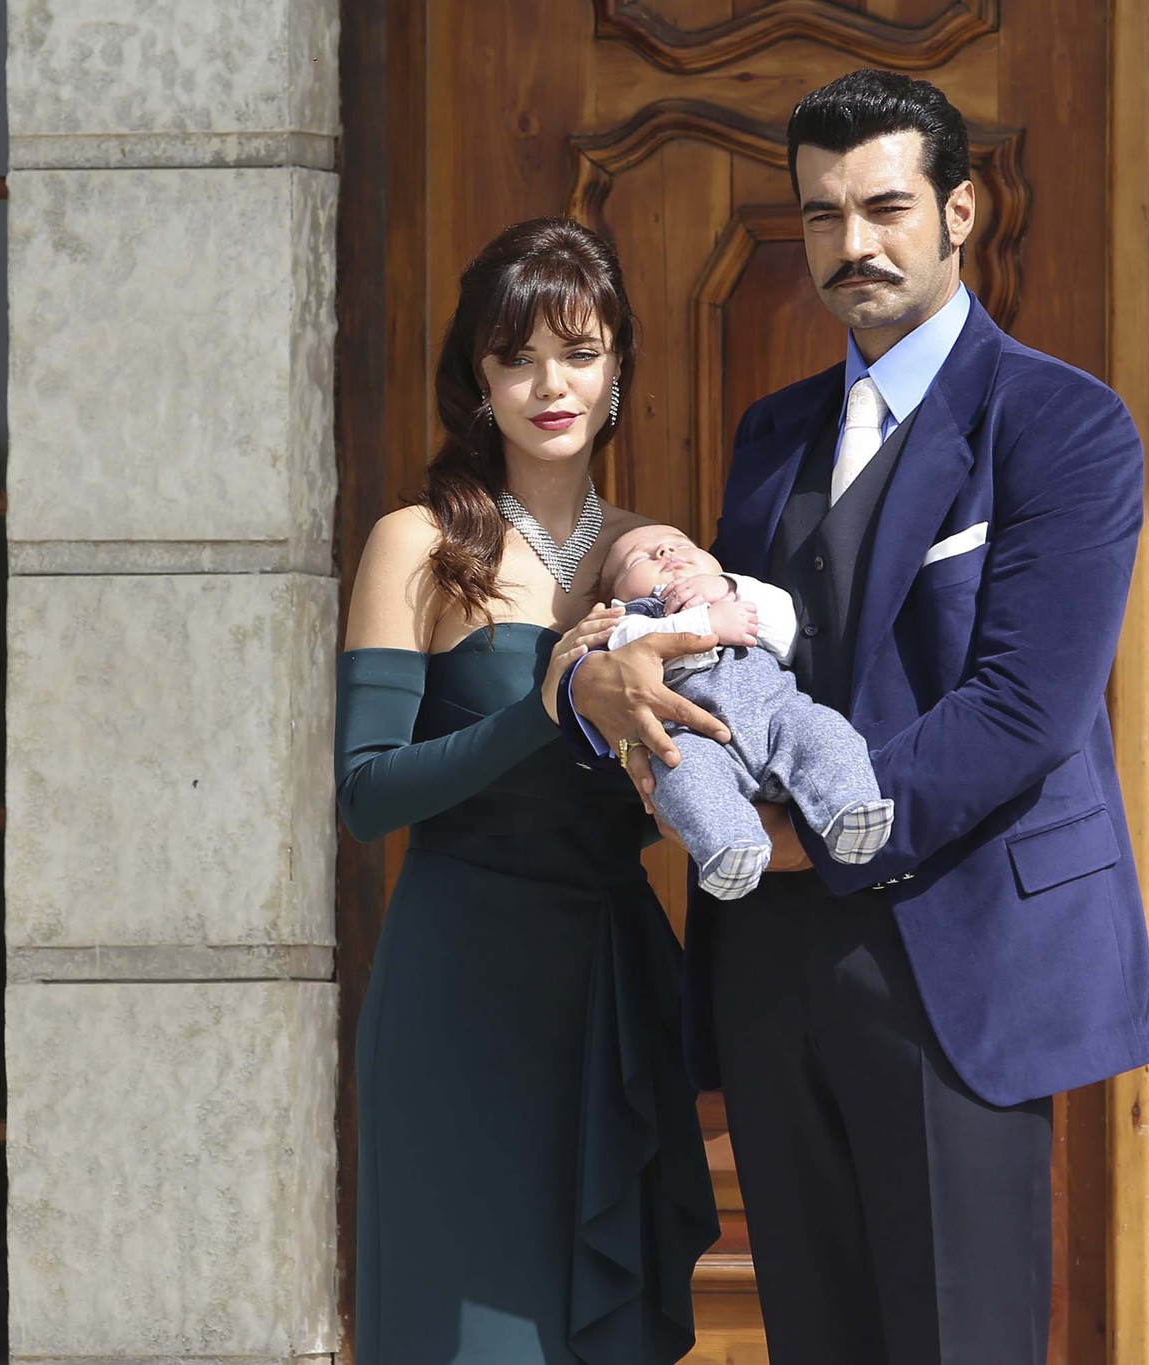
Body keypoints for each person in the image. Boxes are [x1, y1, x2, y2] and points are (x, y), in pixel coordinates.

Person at [566, 70, 1149, 1361]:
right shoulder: (773, 433)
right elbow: (737, 664)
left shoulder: (1062, 423)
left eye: (885, 208)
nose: (854, 244)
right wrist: (610, 683)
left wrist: (806, 841)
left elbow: (1022, 708)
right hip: (771, 963)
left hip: (959, 954)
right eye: (821, 215)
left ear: (960, 212)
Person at [336, 217, 716, 1365]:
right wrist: (542, 706)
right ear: (477, 379)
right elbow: (364, 794)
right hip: (459, 993)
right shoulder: (416, 544)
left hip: (611, 982)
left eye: (579, 353)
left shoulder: (656, 560)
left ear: (617, 369)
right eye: (517, 358)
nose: (551, 386)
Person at [594, 522, 893, 899]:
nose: (665, 553)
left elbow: (788, 633)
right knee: (679, 773)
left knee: (825, 730)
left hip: (778, 719)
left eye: (680, 544)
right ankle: (731, 847)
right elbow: (626, 645)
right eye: (638, 559)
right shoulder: (630, 619)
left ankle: (848, 809)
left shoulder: (739, 594)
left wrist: (728, 588)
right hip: (698, 739)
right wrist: (706, 623)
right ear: (616, 596)